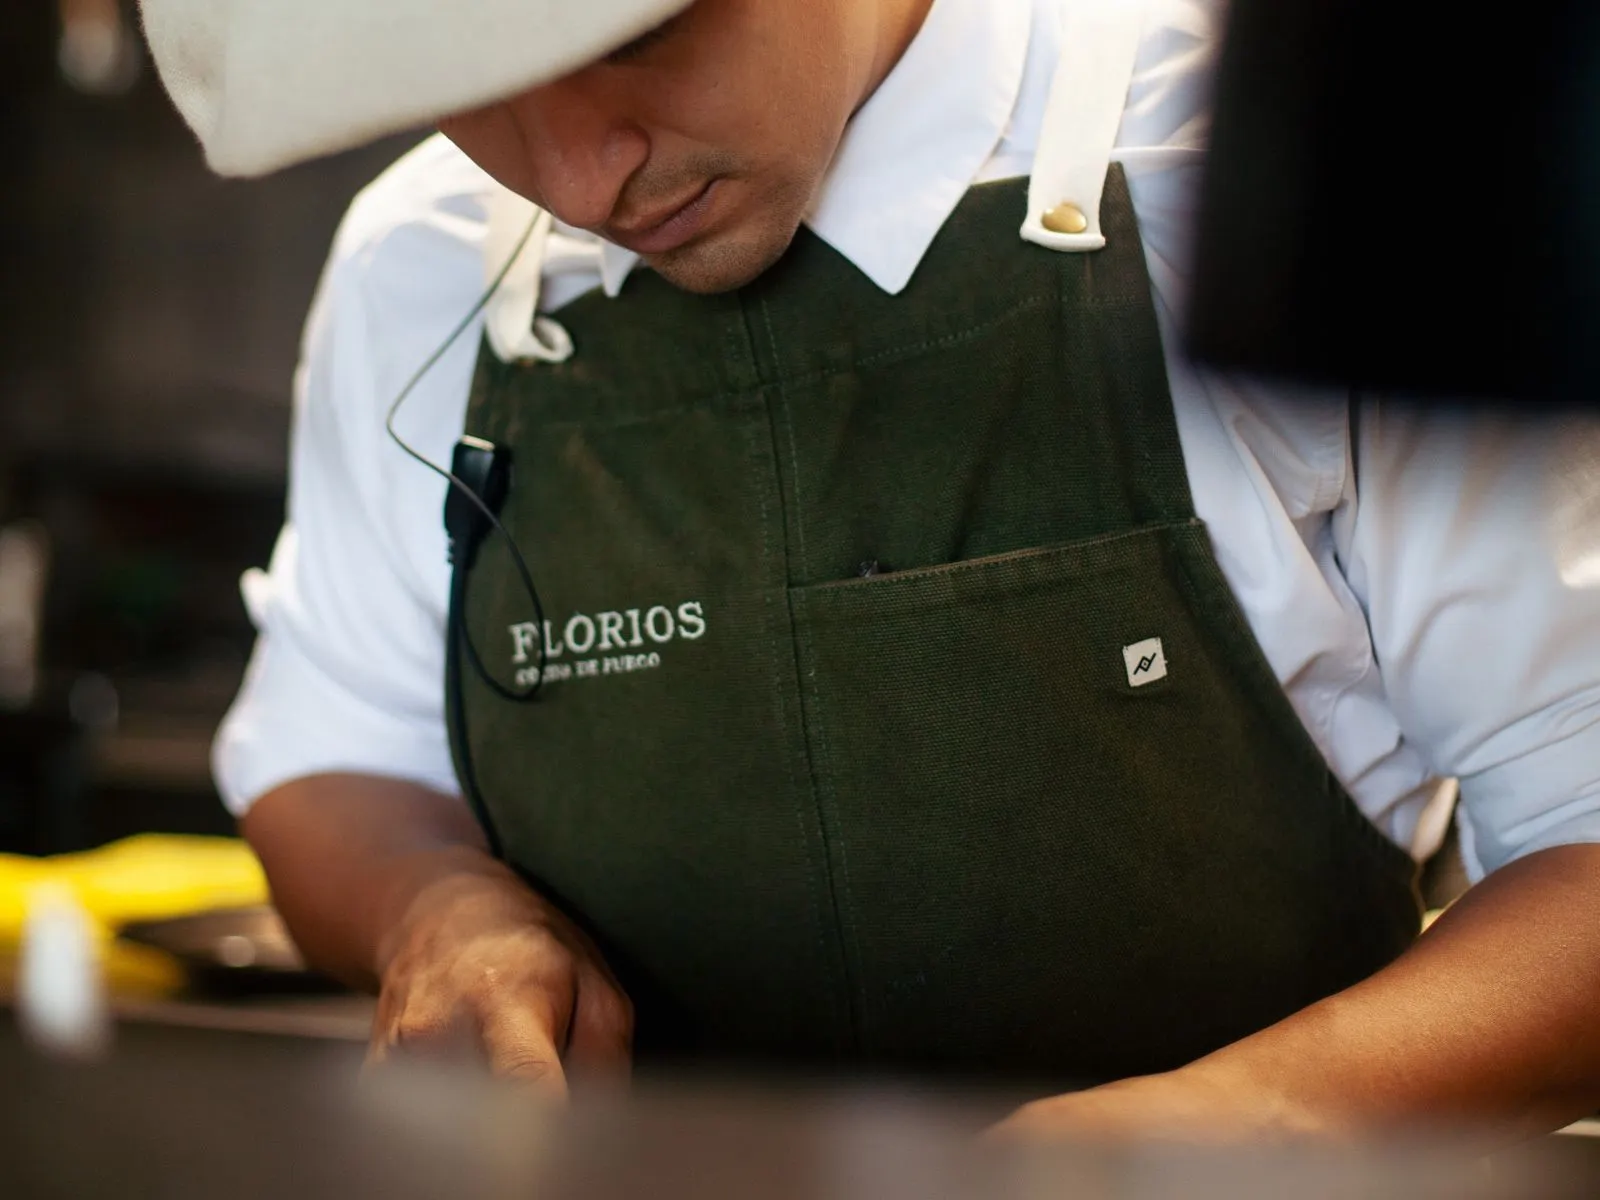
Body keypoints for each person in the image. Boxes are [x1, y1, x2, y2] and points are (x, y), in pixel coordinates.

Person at [140, 0, 1600, 1139]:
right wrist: (436, 912)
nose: (581, 174)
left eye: (637, 36)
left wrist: (1245, 1125)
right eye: (464, 87)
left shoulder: (1278, 159)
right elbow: (335, 757)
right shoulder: (421, 264)